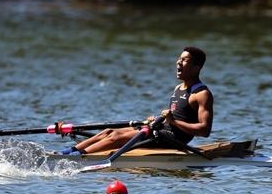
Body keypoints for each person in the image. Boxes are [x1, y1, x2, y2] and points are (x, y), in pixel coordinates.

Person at [61, 46, 214, 155]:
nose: (178, 63)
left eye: (184, 60)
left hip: (173, 139)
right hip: (161, 130)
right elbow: (174, 117)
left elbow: (204, 131)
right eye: (179, 59)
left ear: (196, 67)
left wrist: (172, 122)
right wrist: (158, 120)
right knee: (109, 131)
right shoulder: (178, 88)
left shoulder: (202, 94)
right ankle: (69, 152)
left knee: (116, 138)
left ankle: (78, 157)